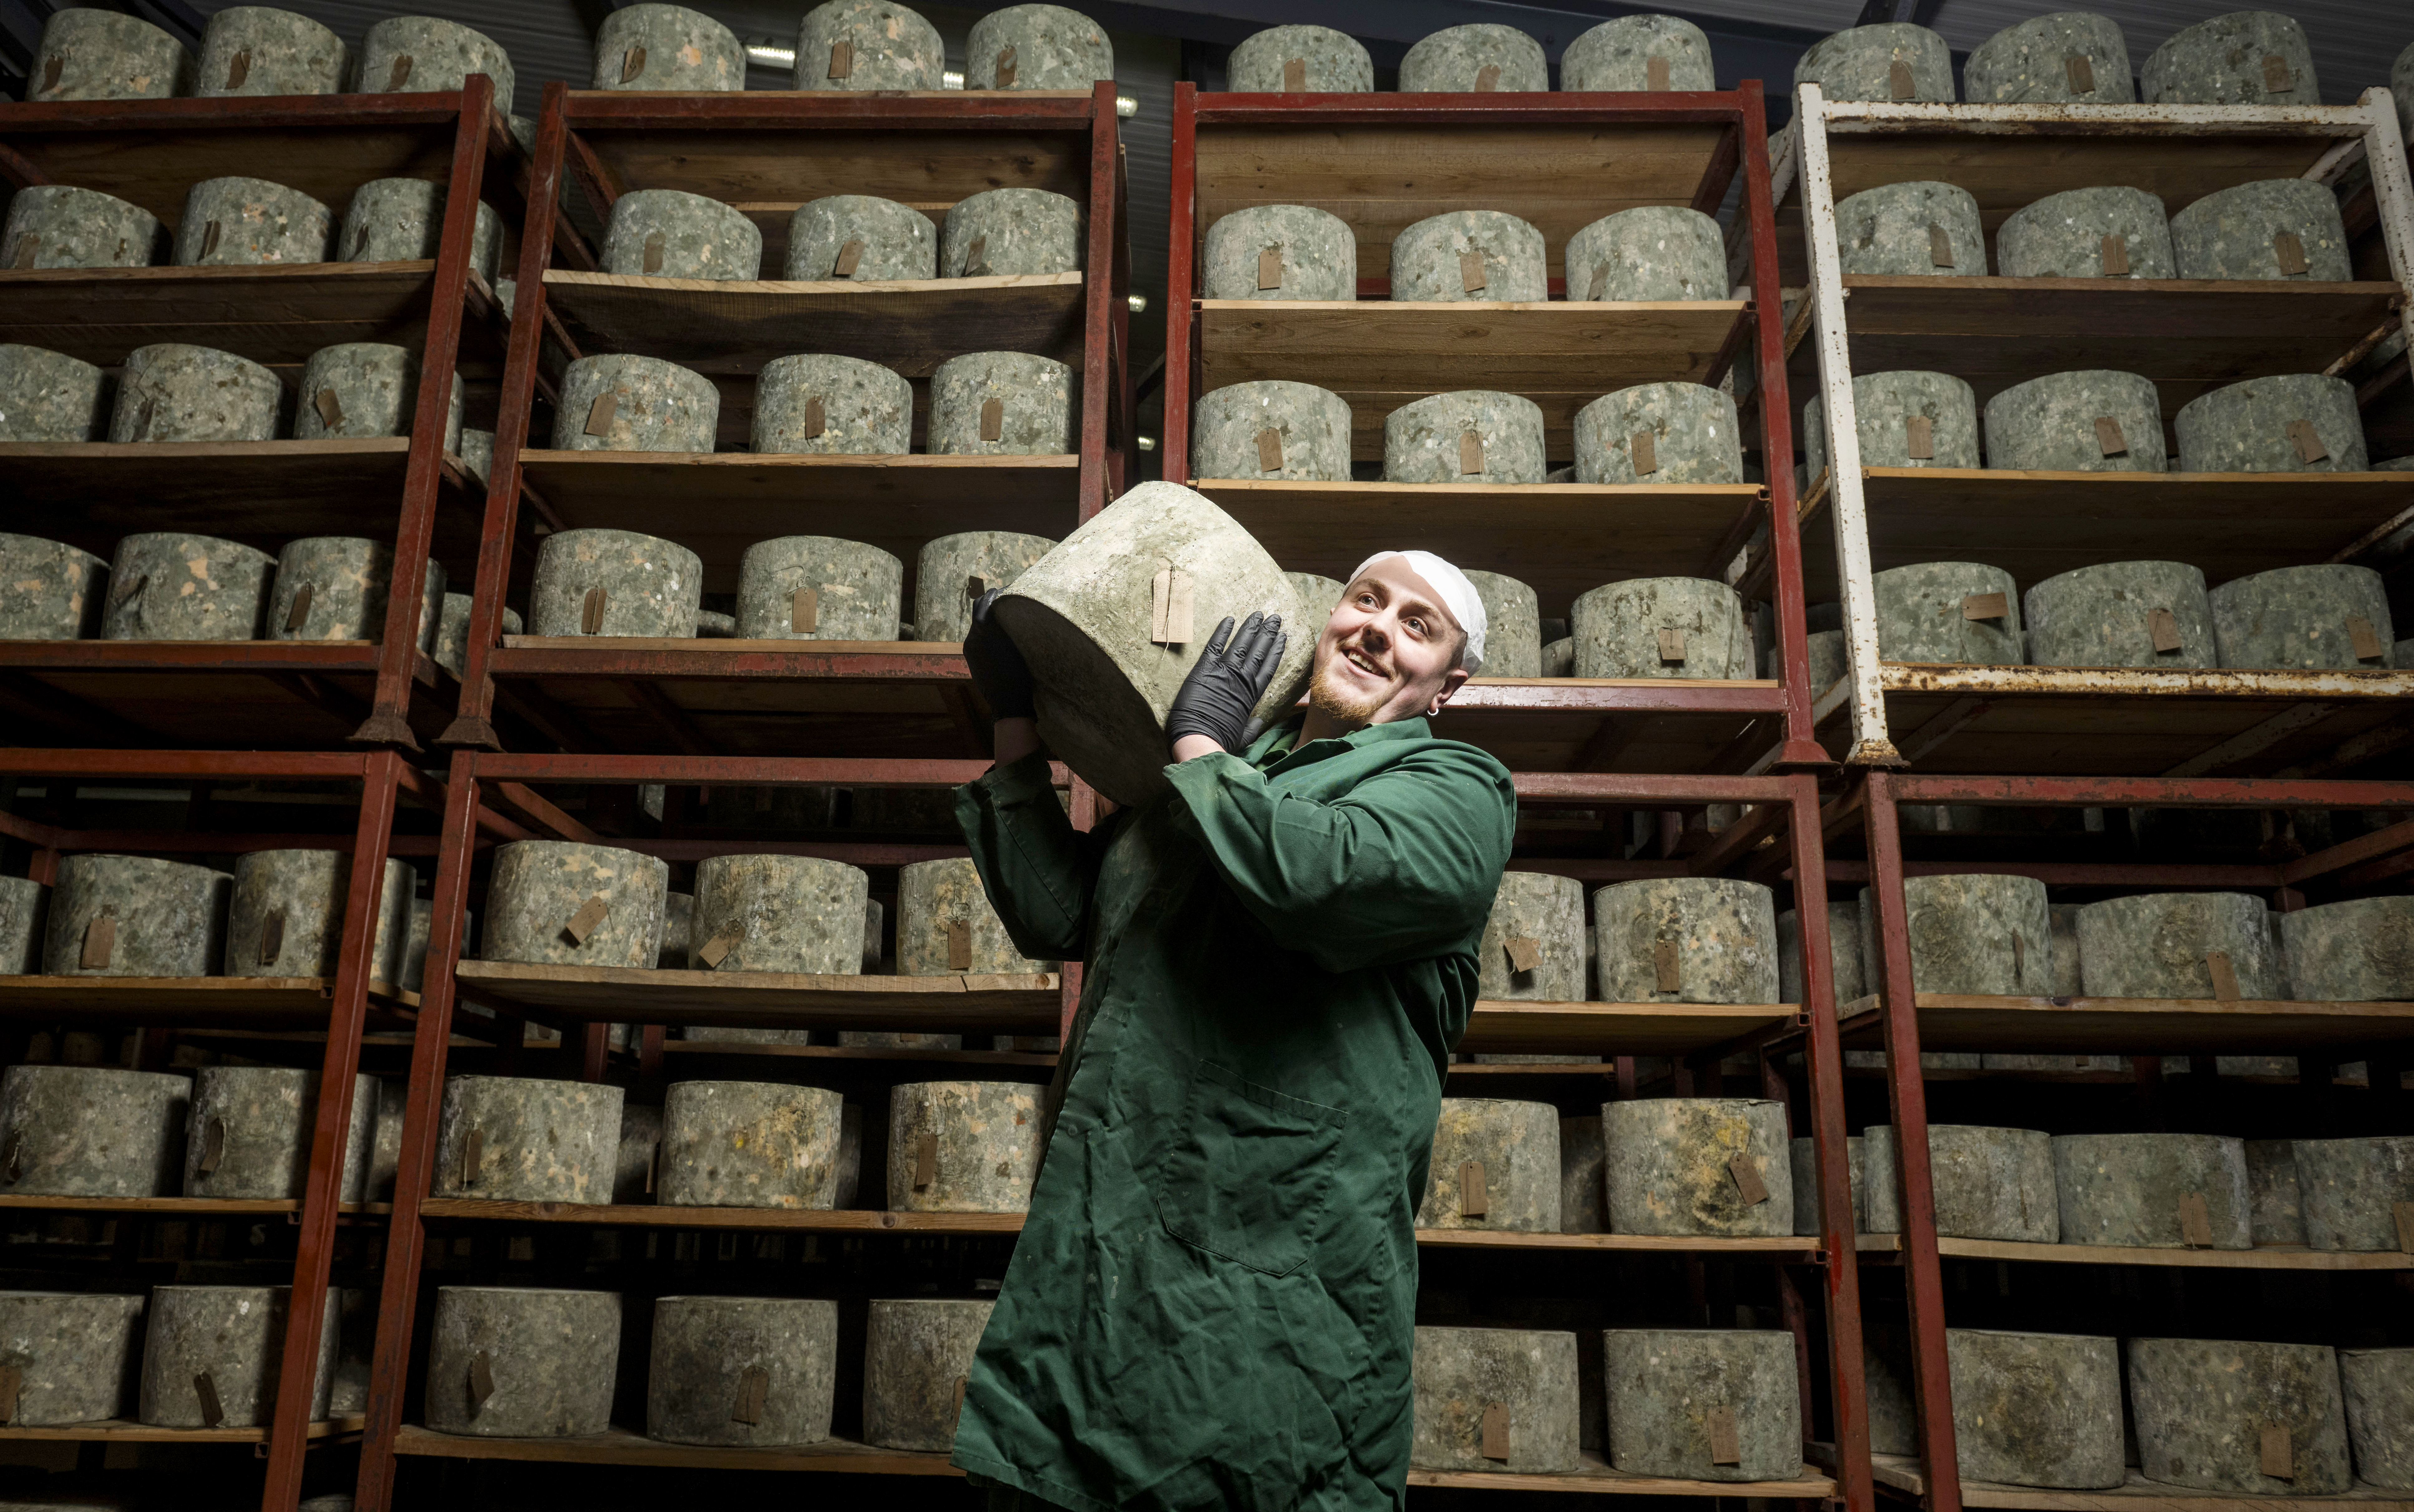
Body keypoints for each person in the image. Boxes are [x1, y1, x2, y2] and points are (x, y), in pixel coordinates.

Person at [946, 549, 1519, 1511]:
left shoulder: (1455, 787)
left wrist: (1201, 747)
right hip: (1104, 1236)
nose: (1376, 627)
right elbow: (1059, 917)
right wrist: (1016, 728)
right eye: (1365, 601)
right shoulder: (1226, 768)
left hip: (1275, 1271)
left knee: (1255, 1478)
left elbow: (1318, 879)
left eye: (1417, 626)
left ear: (1445, 688)